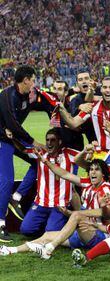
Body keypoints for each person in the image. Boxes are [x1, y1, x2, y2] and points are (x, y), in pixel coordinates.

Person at [0, 65, 41, 242]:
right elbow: (12, 122)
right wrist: (32, 142)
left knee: (39, 161)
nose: (34, 82)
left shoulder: (26, 96)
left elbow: (15, 125)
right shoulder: (7, 95)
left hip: (12, 138)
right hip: (2, 140)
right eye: (33, 79)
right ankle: (1, 223)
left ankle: (16, 198)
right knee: (7, 179)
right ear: (26, 80)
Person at [58, 77, 110, 152]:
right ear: (101, 89)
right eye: (105, 87)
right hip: (100, 155)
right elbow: (73, 123)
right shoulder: (92, 107)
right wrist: (61, 108)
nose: (107, 90)